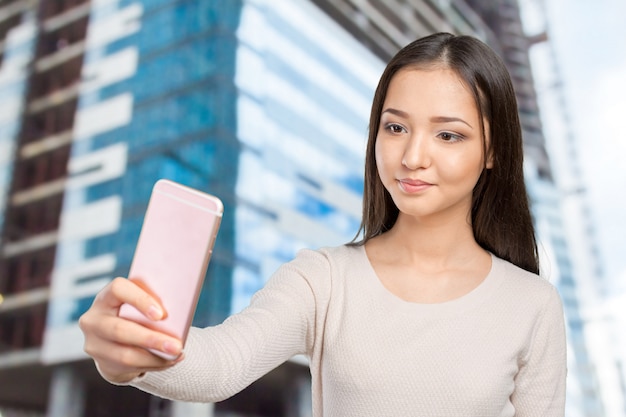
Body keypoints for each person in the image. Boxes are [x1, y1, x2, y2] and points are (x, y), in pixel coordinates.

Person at [79, 32, 567, 416]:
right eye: (395, 127)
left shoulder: (532, 305)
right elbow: (222, 363)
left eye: (448, 134)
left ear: (494, 151)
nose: (413, 156)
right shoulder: (323, 280)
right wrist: (131, 355)